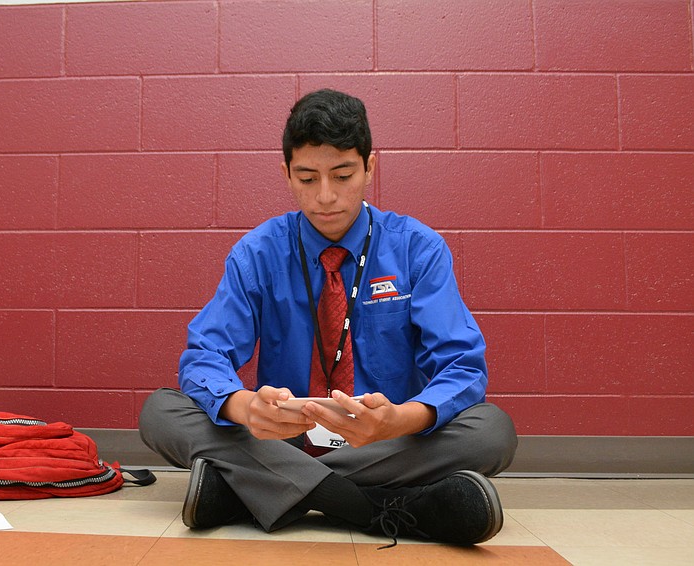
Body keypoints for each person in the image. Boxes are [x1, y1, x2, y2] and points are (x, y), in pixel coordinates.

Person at [139, 89, 517, 547]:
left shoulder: (417, 248)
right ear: (286, 174)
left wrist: (401, 419)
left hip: (385, 440)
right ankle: (381, 506)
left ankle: (253, 489)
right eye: (307, 178)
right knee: (161, 412)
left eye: (343, 175)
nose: (325, 196)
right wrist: (245, 407)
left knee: (492, 432)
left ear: (369, 167)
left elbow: (462, 366)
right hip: (282, 437)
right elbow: (204, 355)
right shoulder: (257, 253)